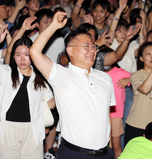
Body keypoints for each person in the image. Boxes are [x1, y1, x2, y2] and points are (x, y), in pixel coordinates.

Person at [30, 12, 116, 158]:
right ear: (70, 51)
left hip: (105, 153)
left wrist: (110, 149)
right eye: (86, 46)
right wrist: (54, 26)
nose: (92, 50)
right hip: (74, 154)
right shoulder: (63, 75)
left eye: (93, 46)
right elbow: (35, 52)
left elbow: (107, 116)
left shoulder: (105, 78)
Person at [0, 24, 55, 158]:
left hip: (33, 128)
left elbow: (51, 104)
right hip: (8, 127)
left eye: (27, 54)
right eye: (18, 55)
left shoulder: (40, 77)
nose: (23, 59)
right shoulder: (6, 72)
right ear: (13, 56)